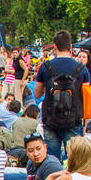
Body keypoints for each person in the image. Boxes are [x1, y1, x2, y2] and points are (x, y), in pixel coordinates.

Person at [33, 30, 85, 159]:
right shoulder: (81, 68)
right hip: (73, 119)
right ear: (71, 46)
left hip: (51, 119)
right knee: (75, 159)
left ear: (54, 46)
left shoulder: (45, 67)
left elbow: (37, 94)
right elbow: (86, 96)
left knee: (52, 159)